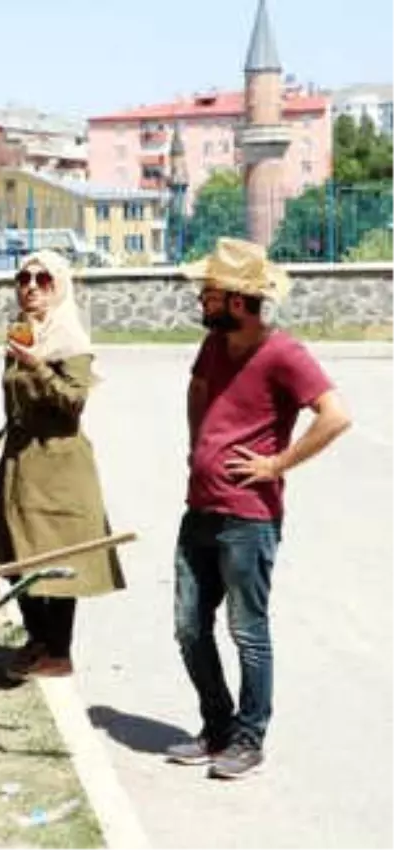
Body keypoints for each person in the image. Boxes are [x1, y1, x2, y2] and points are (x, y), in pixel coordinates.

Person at [166, 238, 350, 779]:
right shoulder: (215, 347)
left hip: (249, 519)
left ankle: (249, 738)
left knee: (247, 629)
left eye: (210, 294)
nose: (201, 300)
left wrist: (277, 465)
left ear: (239, 301)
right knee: (188, 626)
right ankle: (216, 728)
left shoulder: (284, 354)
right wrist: (198, 446)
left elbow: (335, 416)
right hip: (199, 509)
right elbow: (198, 389)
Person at [0, 249, 123, 679]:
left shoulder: (71, 343)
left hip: (60, 467)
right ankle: (37, 639)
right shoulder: (23, 334)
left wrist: (38, 366)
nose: (30, 287)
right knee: (15, 554)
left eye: (42, 280)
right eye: (23, 278)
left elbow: (72, 403)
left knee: (59, 558)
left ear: (59, 287)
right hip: (20, 462)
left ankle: (58, 652)